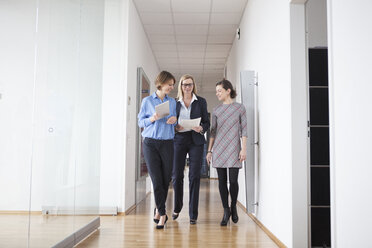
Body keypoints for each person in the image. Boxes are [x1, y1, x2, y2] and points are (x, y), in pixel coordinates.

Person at [138, 71, 177, 229]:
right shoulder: (147, 101)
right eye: (170, 84)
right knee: (155, 178)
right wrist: (153, 118)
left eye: (173, 85)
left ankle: (157, 209)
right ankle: (162, 214)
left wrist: (174, 120)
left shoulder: (173, 102)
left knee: (165, 179)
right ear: (161, 83)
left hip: (167, 143)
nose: (172, 87)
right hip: (151, 144)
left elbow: (175, 120)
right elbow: (140, 121)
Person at [206, 79, 247, 226]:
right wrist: (209, 151)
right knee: (222, 182)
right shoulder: (216, 110)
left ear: (228, 90)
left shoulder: (240, 108)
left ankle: (233, 206)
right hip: (219, 148)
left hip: (234, 148)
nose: (217, 93)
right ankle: (225, 210)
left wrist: (244, 148)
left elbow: (244, 130)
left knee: (234, 181)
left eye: (219, 91)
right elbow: (213, 132)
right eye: (216, 91)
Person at [172, 75, 210, 225]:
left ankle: (193, 213)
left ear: (193, 86)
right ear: (180, 86)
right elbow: (170, 121)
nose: (187, 87)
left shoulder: (200, 101)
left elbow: (206, 122)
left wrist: (201, 128)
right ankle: (177, 207)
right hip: (179, 140)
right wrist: (175, 126)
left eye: (190, 84)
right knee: (176, 176)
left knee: (194, 176)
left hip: (196, 141)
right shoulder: (175, 103)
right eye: (184, 85)